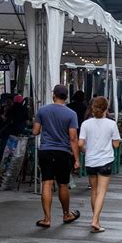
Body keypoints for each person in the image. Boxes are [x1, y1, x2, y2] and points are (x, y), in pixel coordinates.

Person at [32, 84, 81, 228]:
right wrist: (77, 159)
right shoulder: (71, 114)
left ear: (54, 95)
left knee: (46, 183)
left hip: (46, 150)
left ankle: (46, 218)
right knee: (63, 185)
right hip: (63, 152)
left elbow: (35, 132)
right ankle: (66, 214)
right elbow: (73, 138)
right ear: (66, 97)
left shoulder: (42, 110)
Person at [79, 96, 121, 233]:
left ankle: (96, 219)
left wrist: (86, 149)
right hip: (105, 161)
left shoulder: (86, 124)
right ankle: (95, 220)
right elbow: (116, 144)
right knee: (101, 192)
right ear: (106, 108)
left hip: (90, 161)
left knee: (93, 191)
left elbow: (80, 144)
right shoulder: (111, 124)